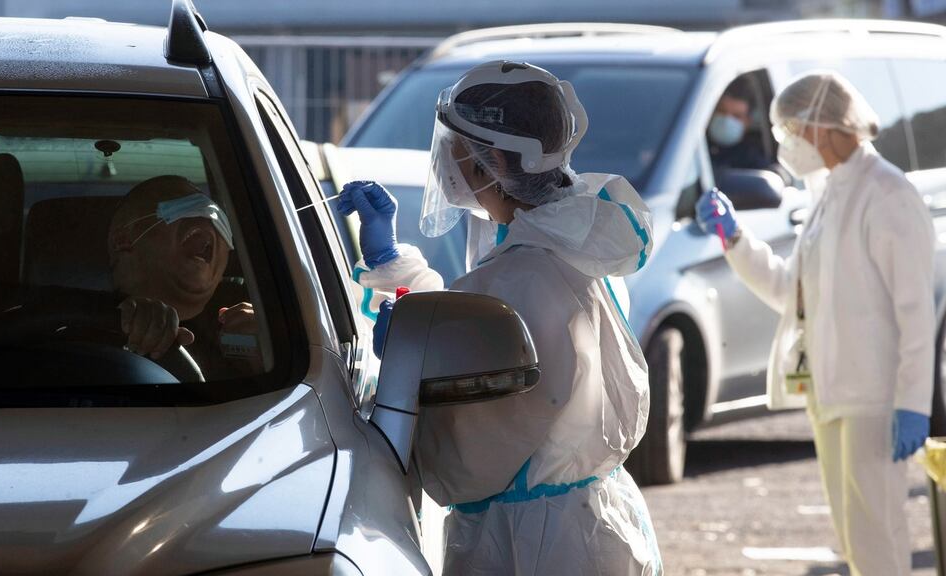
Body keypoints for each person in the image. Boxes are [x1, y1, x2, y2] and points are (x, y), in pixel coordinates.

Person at [338, 60, 662, 575]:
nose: (446, 157)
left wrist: (411, 352)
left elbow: (468, 449)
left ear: (488, 158)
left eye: (454, 144)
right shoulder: (568, 240)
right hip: (579, 528)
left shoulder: (528, 271)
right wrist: (392, 267)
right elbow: (480, 318)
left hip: (531, 547)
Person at [696, 71, 934, 575]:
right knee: (854, 538)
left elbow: (915, 313)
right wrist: (735, 239)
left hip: (874, 398)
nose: (785, 143)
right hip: (830, 393)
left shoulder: (888, 194)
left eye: (790, 130)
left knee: (878, 536)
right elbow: (791, 291)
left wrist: (913, 402)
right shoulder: (827, 192)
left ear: (822, 126)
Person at [107, 175, 259, 377]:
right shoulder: (77, 319)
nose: (208, 214)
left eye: (218, 216)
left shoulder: (251, 307)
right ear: (124, 240)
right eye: (184, 204)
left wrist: (265, 352)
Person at [708, 77, 771, 172]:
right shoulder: (690, 142)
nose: (727, 120)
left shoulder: (752, 162)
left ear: (748, 122)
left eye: (737, 116)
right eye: (721, 111)